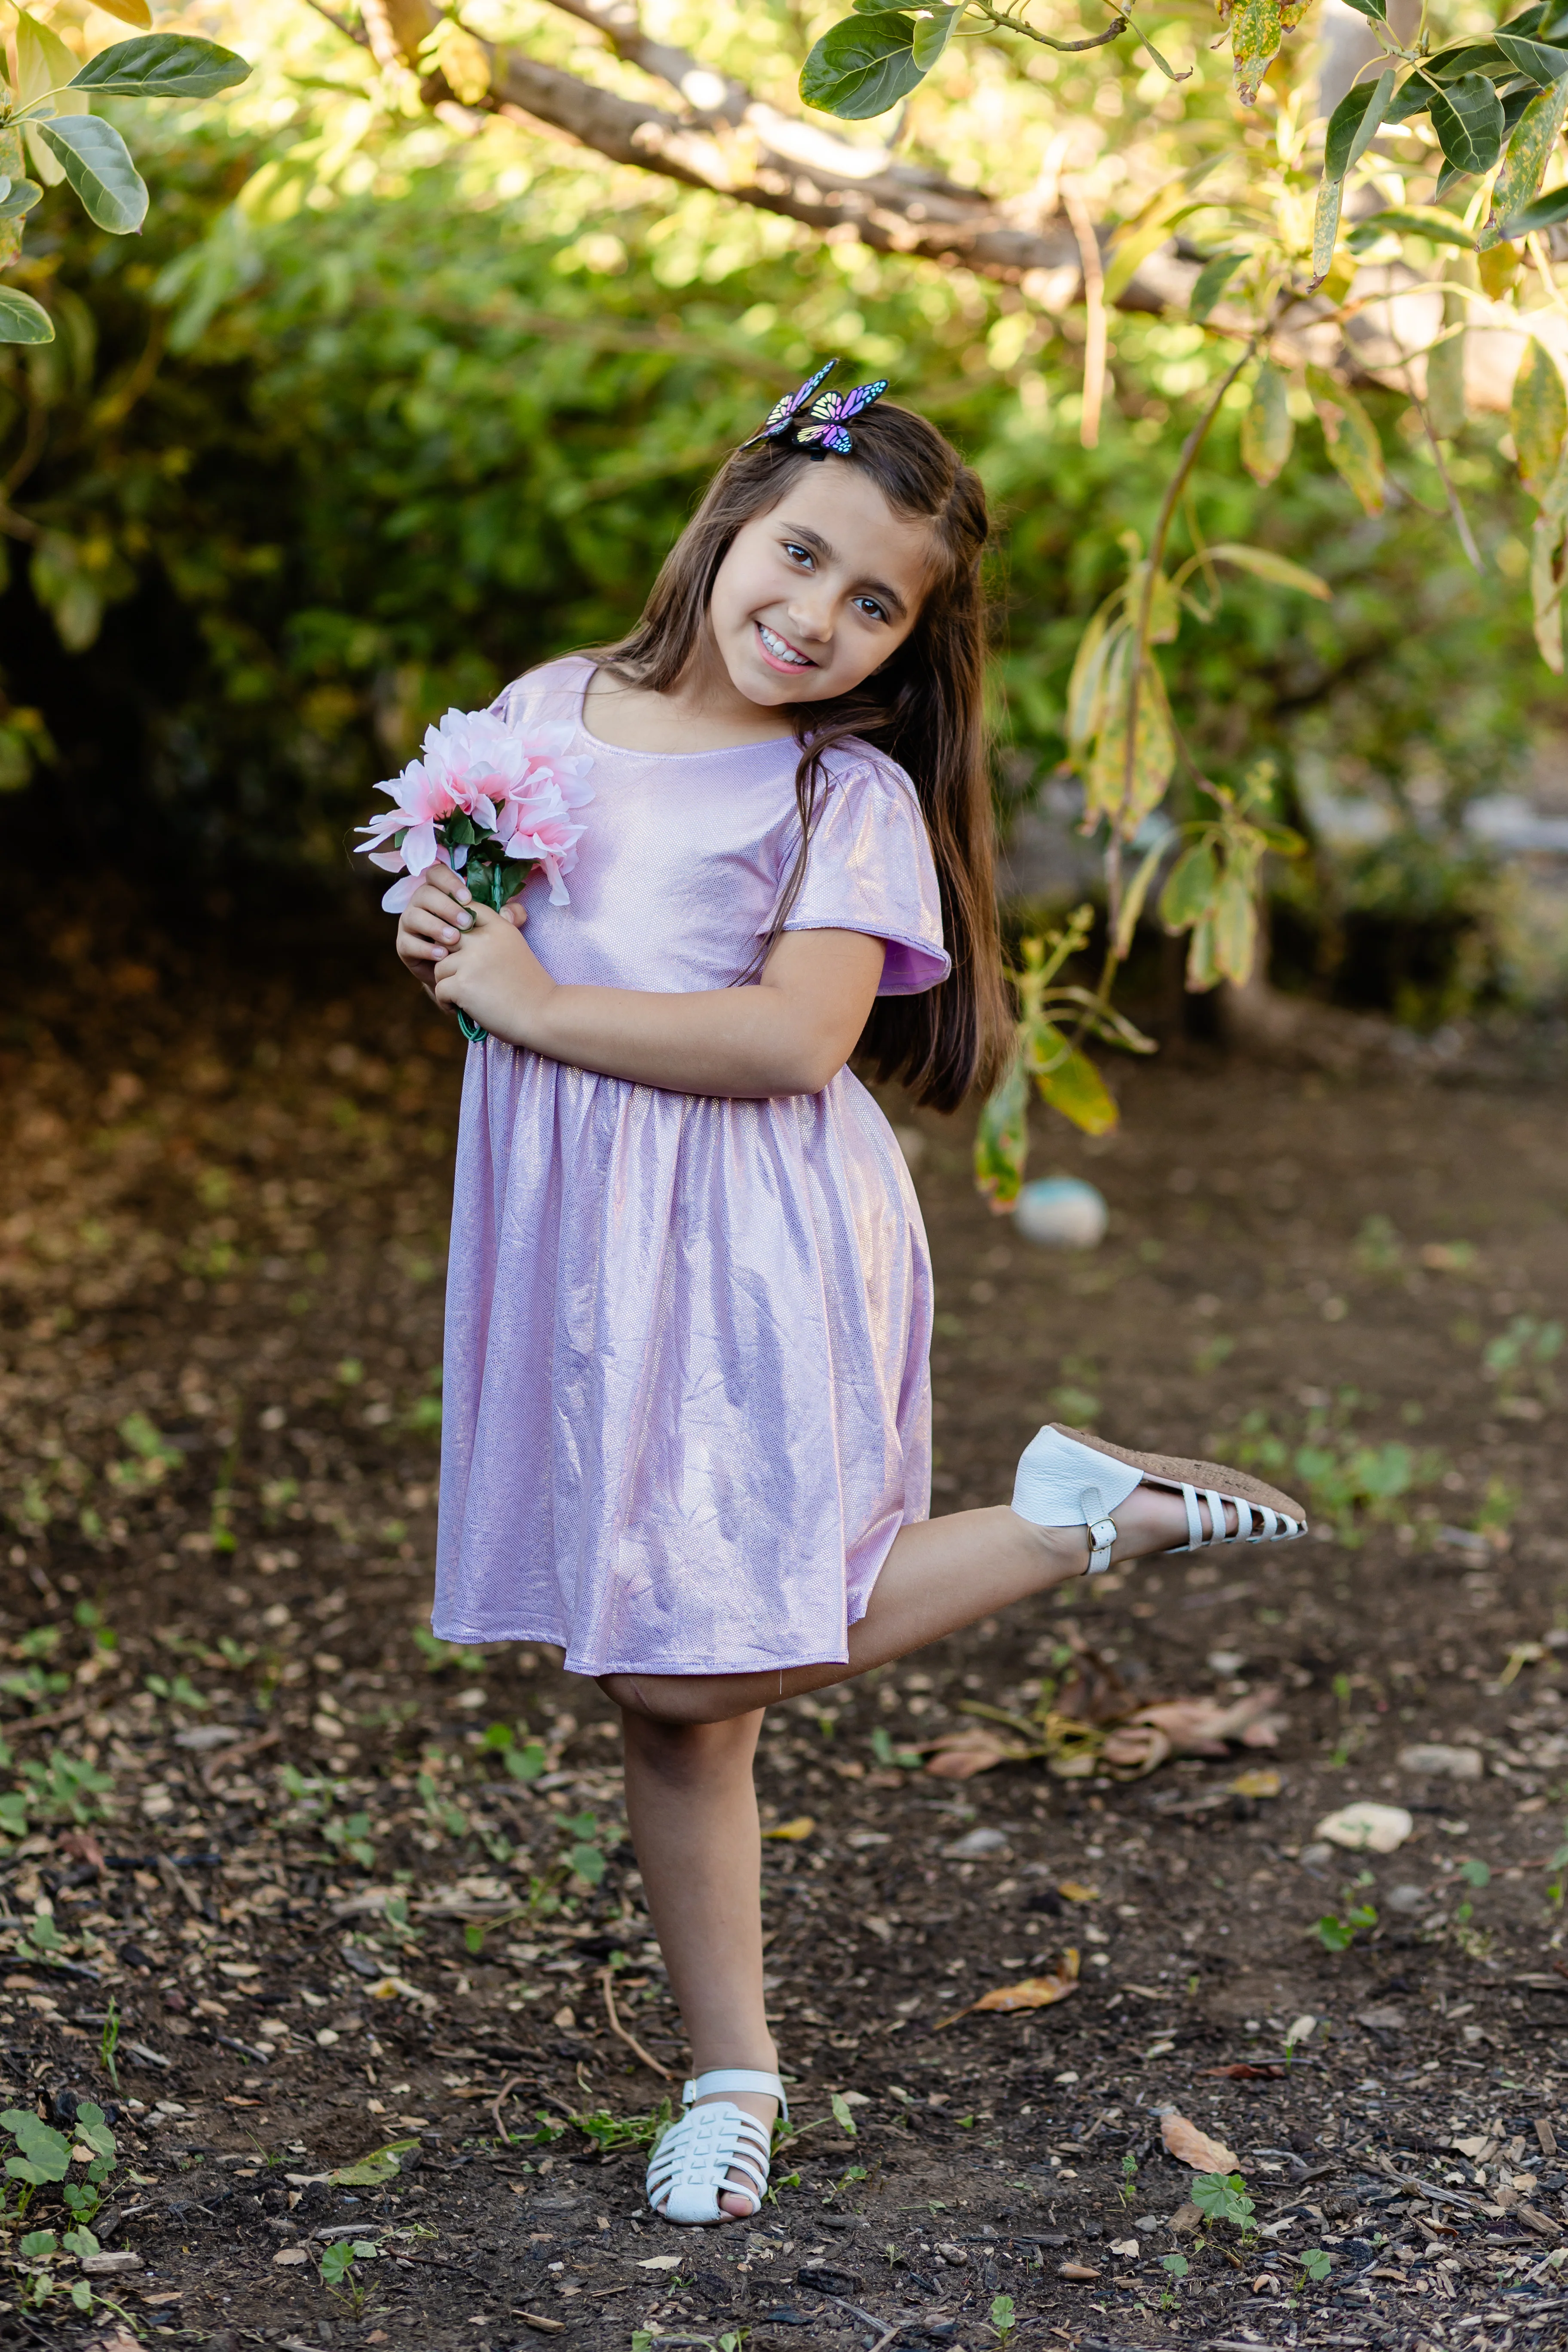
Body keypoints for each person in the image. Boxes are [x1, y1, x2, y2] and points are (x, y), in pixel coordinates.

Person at [392, 366, 1307, 2229]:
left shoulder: (840, 789)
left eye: (870, 603)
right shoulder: (557, 707)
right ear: (734, 519)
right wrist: (439, 933)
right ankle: (735, 2072)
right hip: (577, 1245)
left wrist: (531, 1003)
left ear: (904, 648)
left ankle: (1066, 1523)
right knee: (674, 1710)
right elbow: (469, 908)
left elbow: (794, 1037)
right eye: (800, 555)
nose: (812, 614)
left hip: (746, 1242)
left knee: (675, 1645)